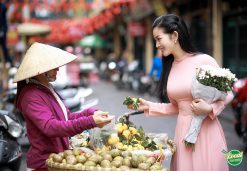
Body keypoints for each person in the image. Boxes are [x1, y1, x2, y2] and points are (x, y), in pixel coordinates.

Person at [136, 14, 233, 171]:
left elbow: (228, 93)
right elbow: (179, 107)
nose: (156, 45)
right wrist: (150, 106)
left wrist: (210, 109)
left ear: (174, 35)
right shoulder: (169, 66)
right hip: (182, 133)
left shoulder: (203, 61)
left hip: (206, 131)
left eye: (159, 39)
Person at [14, 42, 114, 171]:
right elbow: (50, 127)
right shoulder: (31, 95)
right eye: (53, 66)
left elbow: (67, 117)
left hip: (58, 158)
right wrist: (90, 121)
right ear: (41, 71)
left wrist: (89, 113)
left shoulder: (46, 89)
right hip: (43, 164)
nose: (58, 69)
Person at [0, 1, 12, 65]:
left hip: (2, 29)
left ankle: (7, 61)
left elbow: (5, 20)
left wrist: (4, 30)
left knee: (4, 46)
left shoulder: (3, 7)